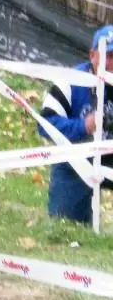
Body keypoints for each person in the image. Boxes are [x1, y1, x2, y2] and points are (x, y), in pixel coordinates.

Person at [40, 25, 113, 225]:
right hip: (76, 160)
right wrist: (83, 126)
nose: (112, 63)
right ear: (92, 55)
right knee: (67, 225)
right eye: (108, 55)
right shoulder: (70, 81)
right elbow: (44, 125)